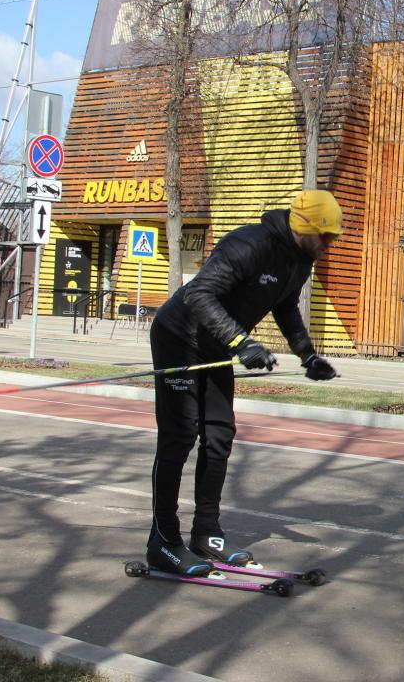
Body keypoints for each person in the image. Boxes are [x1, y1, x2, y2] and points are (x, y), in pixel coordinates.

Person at [146, 189, 342, 574]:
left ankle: (207, 532)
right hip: (179, 337)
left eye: (333, 236)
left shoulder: (300, 260)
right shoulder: (248, 244)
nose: (329, 243)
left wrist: (307, 355)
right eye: (325, 235)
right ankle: (163, 541)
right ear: (304, 226)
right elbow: (199, 294)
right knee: (179, 436)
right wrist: (241, 342)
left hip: (216, 345)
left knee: (220, 435)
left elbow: (285, 307)